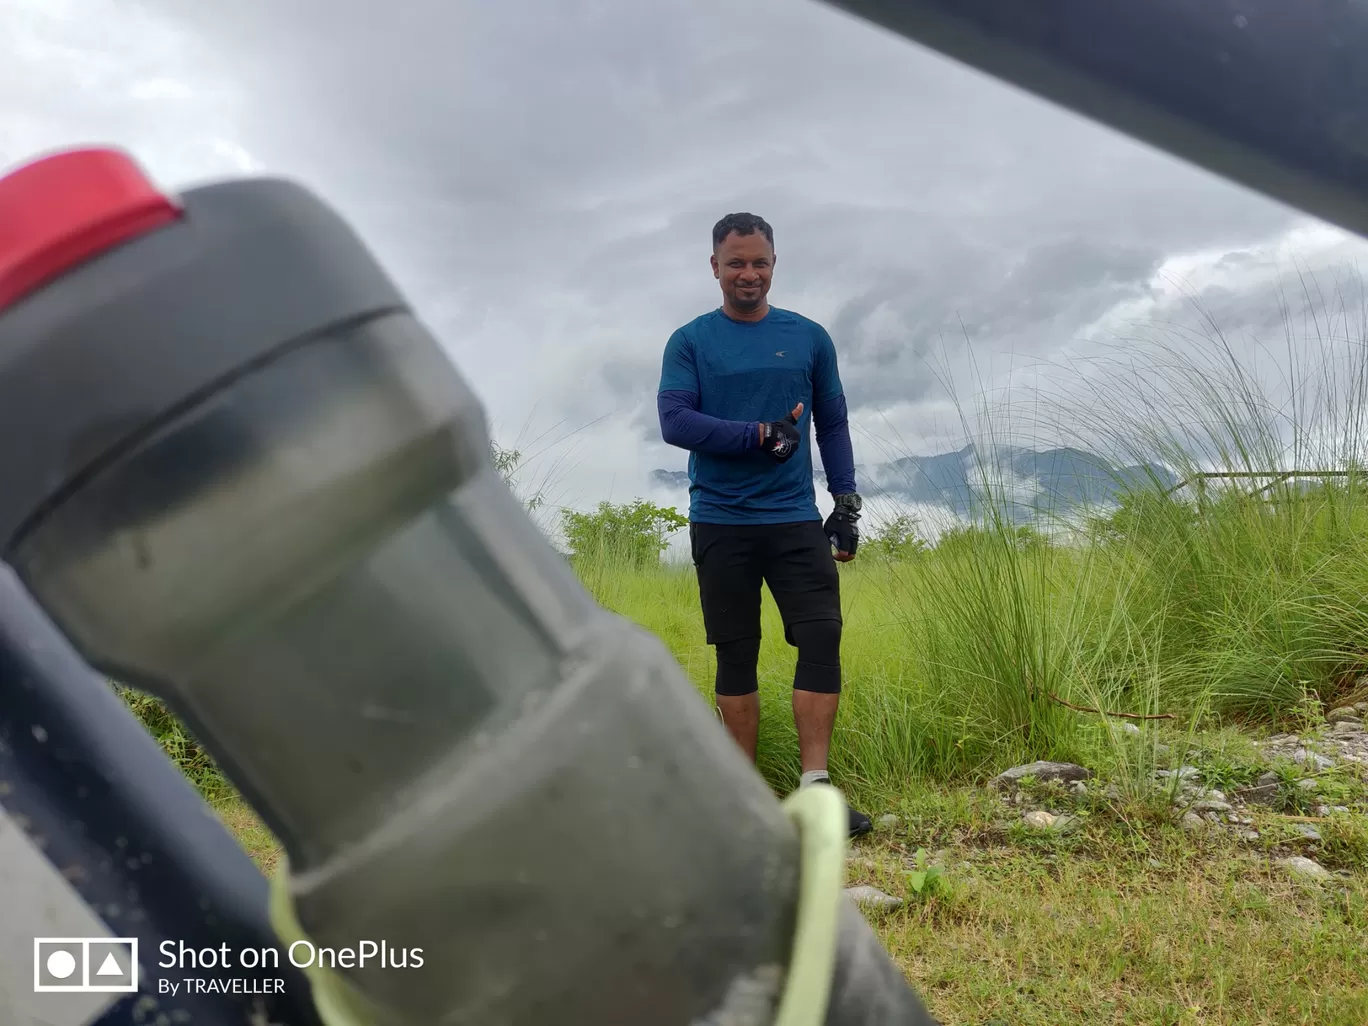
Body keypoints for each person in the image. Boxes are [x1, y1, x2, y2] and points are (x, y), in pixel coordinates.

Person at [656, 211, 871, 838]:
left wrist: (846, 501)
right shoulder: (691, 341)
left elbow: (831, 423)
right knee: (736, 650)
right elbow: (675, 422)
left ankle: (815, 791)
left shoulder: (808, 337)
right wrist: (756, 435)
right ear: (715, 267)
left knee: (822, 636)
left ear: (774, 265)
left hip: (793, 518)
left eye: (760, 263)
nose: (748, 274)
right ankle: (744, 800)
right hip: (721, 519)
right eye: (736, 263)